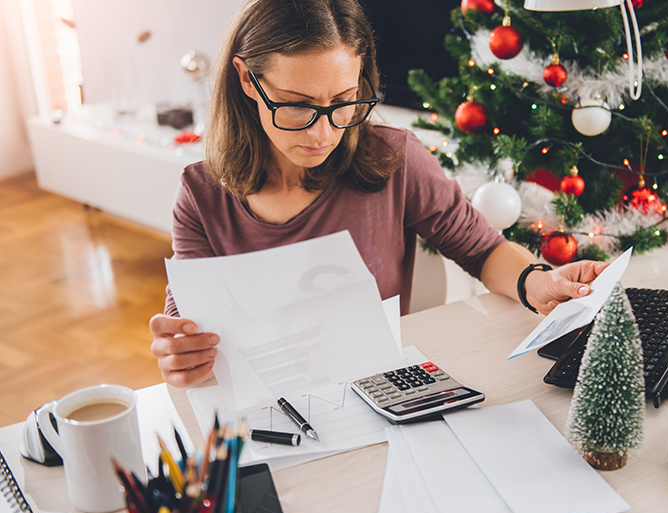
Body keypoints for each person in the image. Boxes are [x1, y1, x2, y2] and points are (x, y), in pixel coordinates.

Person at [149, 0, 607, 388]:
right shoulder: (201, 195)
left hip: (376, 388)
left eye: (344, 101)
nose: (324, 132)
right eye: (297, 105)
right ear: (248, 81)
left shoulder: (395, 158)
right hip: (264, 400)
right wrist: (181, 354)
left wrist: (537, 282)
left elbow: (483, 250)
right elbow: (190, 323)